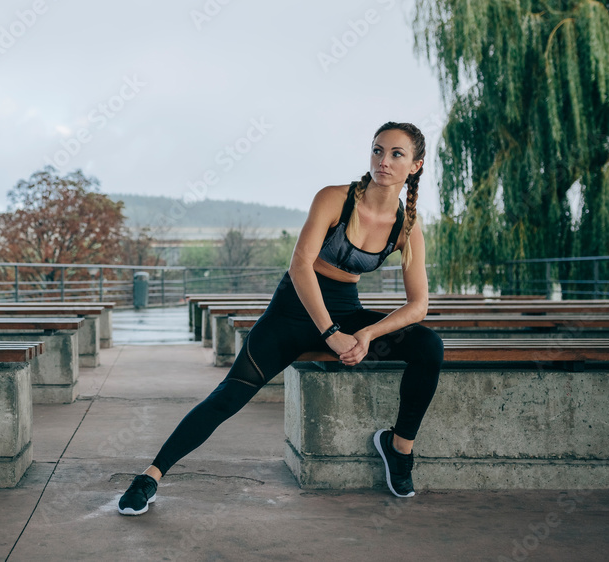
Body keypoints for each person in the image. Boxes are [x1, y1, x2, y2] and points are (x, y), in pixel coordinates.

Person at [117, 121, 445, 515]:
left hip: (345, 308)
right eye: (378, 150)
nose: (384, 161)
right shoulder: (334, 198)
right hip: (292, 312)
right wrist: (332, 333)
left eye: (396, 154)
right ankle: (151, 476)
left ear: (416, 165)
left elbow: (418, 305)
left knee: (429, 345)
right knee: (228, 396)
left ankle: (399, 448)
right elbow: (300, 266)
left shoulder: (406, 227)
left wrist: (368, 333)